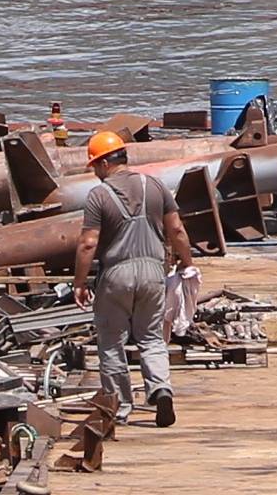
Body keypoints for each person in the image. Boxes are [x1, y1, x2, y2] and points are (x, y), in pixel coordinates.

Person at [72, 128, 196, 427]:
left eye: (95, 168)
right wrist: (187, 264)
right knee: (152, 337)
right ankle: (161, 389)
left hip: (116, 274)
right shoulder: (155, 186)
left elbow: (88, 243)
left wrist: (79, 282)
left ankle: (120, 408)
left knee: (112, 341)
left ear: (103, 163)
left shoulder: (99, 195)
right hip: (154, 271)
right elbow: (177, 231)